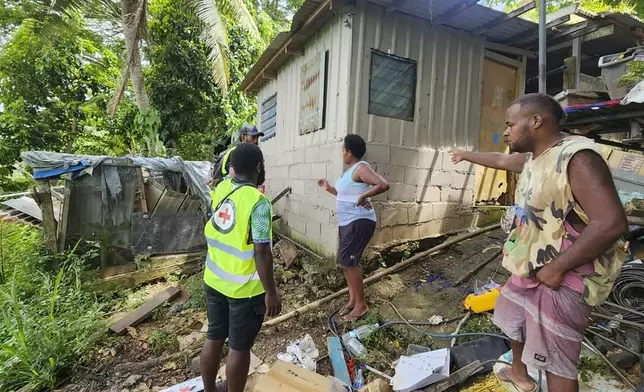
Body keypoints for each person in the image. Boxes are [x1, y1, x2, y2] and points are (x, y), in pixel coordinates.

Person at [449, 93, 627, 392]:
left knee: (556, 361)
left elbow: (611, 223)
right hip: (531, 268)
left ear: (535, 121)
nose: (505, 131)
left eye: (510, 124)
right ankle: (520, 374)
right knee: (511, 317)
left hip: (567, 278)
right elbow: (502, 160)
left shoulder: (578, 158)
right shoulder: (537, 157)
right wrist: (466, 155)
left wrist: (557, 269)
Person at [200, 143, 281, 392]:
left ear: (233, 168)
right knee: (239, 347)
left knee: (214, 336)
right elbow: (262, 251)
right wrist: (271, 292)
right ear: (259, 167)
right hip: (244, 290)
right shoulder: (258, 203)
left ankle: (210, 389)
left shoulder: (222, 189)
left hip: (214, 280)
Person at [318, 134, 389, 322]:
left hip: (359, 221)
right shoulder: (349, 172)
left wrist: (365, 195)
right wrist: (329, 188)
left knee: (350, 263)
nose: (342, 153)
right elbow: (343, 194)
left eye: (343, 150)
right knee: (345, 263)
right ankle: (353, 299)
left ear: (349, 152)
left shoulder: (361, 168)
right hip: (348, 222)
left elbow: (383, 184)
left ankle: (361, 305)